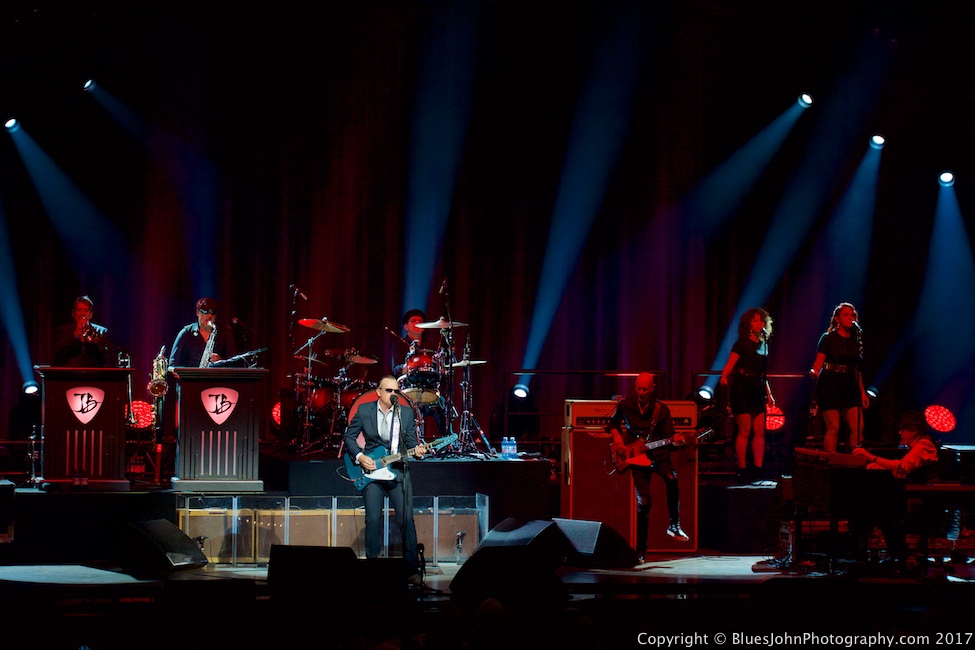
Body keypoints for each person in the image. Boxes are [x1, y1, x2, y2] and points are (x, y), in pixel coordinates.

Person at [343, 375, 425, 585]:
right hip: (373, 472)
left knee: (406, 520)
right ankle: (372, 566)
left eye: (395, 391)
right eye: (388, 391)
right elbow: (349, 438)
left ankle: (411, 570)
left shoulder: (405, 414)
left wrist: (417, 451)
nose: (392, 395)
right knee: (372, 520)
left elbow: (411, 443)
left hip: (397, 471)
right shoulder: (364, 411)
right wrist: (360, 457)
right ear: (378, 392)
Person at [606, 372, 689, 562]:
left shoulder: (661, 409)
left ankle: (674, 525)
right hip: (635, 458)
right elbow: (611, 424)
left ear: (653, 388)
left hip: (659, 456)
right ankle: (640, 550)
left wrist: (676, 442)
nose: (641, 392)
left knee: (672, 479)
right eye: (638, 388)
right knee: (643, 503)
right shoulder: (626, 405)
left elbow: (670, 439)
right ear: (635, 386)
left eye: (645, 389)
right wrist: (617, 437)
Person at [851, 411, 939, 565]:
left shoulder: (924, 445)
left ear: (914, 431)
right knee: (883, 513)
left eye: (903, 429)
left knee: (885, 514)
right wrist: (876, 465)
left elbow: (902, 466)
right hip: (914, 494)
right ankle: (898, 553)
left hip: (923, 497)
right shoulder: (917, 445)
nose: (900, 433)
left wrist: (871, 457)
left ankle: (901, 554)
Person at [719, 307, 775, 483]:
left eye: (762, 321)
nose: (760, 323)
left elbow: (762, 373)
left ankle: (758, 468)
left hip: (757, 387)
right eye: (756, 320)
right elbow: (730, 363)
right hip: (743, 387)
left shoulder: (764, 345)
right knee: (745, 430)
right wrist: (724, 375)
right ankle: (742, 468)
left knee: (759, 431)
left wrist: (769, 394)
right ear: (749, 324)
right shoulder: (741, 344)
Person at [808, 302, 869, 453]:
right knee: (834, 427)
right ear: (837, 319)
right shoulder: (828, 338)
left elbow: (857, 369)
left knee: (858, 427)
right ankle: (830, 462)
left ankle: (856, 461)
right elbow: (819, 361)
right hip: (830, 383)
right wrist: (814, 370)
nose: (850, 318)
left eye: (852, 315)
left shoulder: (855, 341)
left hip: (850, 384)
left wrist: (862, 392)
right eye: (846, 315)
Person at [169, 297, 240, 368]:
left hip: (216, 377)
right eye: (205, 311)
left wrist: (221, 360)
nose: (209, 316)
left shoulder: (225, 332)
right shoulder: (186, 333)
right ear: (197, 312)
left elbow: (234, 363)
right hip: (191, 377)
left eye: (212, 312)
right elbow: (173, 364)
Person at [53, 295, 116, 367]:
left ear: (91, 314)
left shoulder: (101, 331)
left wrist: (96, 344)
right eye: (79, 310)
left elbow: (106, 358)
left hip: (93, 374)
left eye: (86, 310)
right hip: (70, 374)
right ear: (73, 313)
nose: (82, 313)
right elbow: (57, 354)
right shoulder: (62, 330)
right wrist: (75, 335)